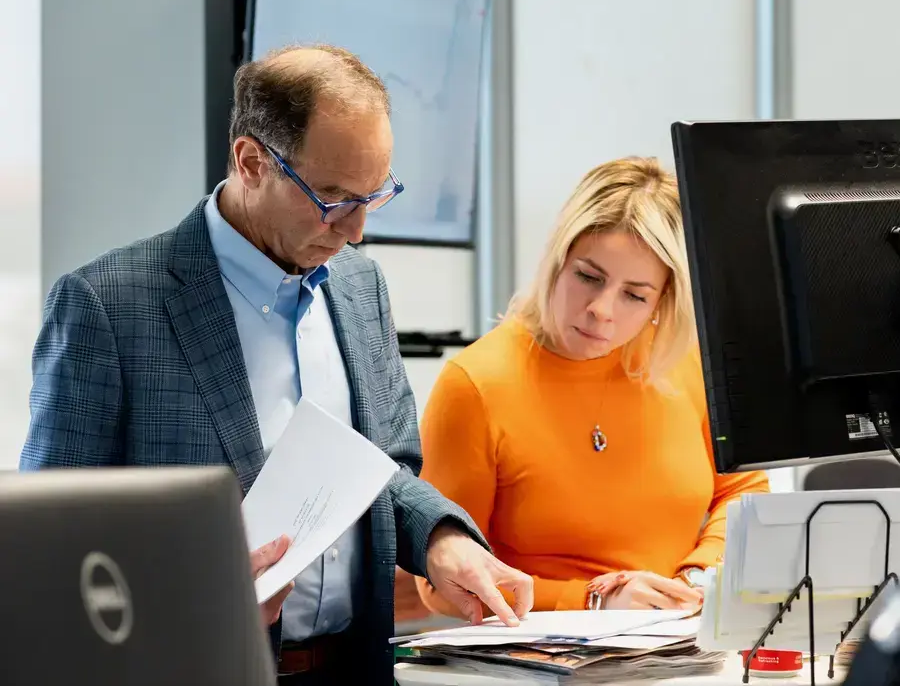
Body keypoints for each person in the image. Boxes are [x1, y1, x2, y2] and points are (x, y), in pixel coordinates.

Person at [20, 44, 533, 685]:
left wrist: (441, 542)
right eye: (333, 198)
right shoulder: (108, 306)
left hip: (357, 670)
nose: (354, 232)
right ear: (251, 161)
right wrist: (195, 590)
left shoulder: (358, 286)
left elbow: (387, 469)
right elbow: (47, 549)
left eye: (374, 198)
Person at [416, 157, 770, 617]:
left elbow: (744, 489)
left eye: (635, 295)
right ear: (557, 260)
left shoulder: (684, 361)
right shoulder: (476, 386)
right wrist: (594, 601)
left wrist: (695, 580)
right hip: (539, 659)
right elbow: (441, 586)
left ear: (662, 300)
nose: (602, 309)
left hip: (677, 640)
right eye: (588, 276)